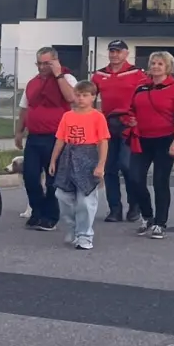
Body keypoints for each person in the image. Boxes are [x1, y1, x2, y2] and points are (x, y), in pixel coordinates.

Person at [14, 47, 78, 231]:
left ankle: (51, 216)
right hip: (34, 136)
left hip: (56, 137)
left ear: (55, 62)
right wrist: (19, 131)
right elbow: (24, 108)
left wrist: (58, 75)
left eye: (46, 63)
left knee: (52, 179)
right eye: (39, 63)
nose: (42, 67)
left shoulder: (66, 79)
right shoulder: (32, 83)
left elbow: (71, 97)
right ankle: (37, 211)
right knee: (31, 176)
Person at [127, 50, 174, 239]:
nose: (155, 66)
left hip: (165, 139)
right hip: (142, 139)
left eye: (160, 64)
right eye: (153, 63)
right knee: (135, 178)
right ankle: (147, 217)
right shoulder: (141, 87)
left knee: (160, 181)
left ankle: (160, 223)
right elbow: (132, 109)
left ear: (168, 67)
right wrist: (131, 120)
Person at [90, 40, 148, 223]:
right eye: (112, 51)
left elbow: (145, 95)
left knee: (127, 166)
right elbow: (89, 95)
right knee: (108, 168)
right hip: (107, 124)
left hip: (128, 124)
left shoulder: (137, 73)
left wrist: (139, 118)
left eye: (118, 51)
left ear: (126, 53)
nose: (114, 55)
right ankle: (114, 209)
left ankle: (134, 204)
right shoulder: (99, 75)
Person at [48, 81, 110, 250]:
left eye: (85, 95)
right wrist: (53, 160)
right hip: (68, 156)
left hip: (89, 157)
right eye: (78, 95)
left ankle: (85, 235)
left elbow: (103, 142)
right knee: (62, 195)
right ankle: (71, 227)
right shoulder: (67, 116)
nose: (81, 99)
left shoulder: (98, 117)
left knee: (85, 199)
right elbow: (60, 139)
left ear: (93, 97)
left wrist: (101, 165)